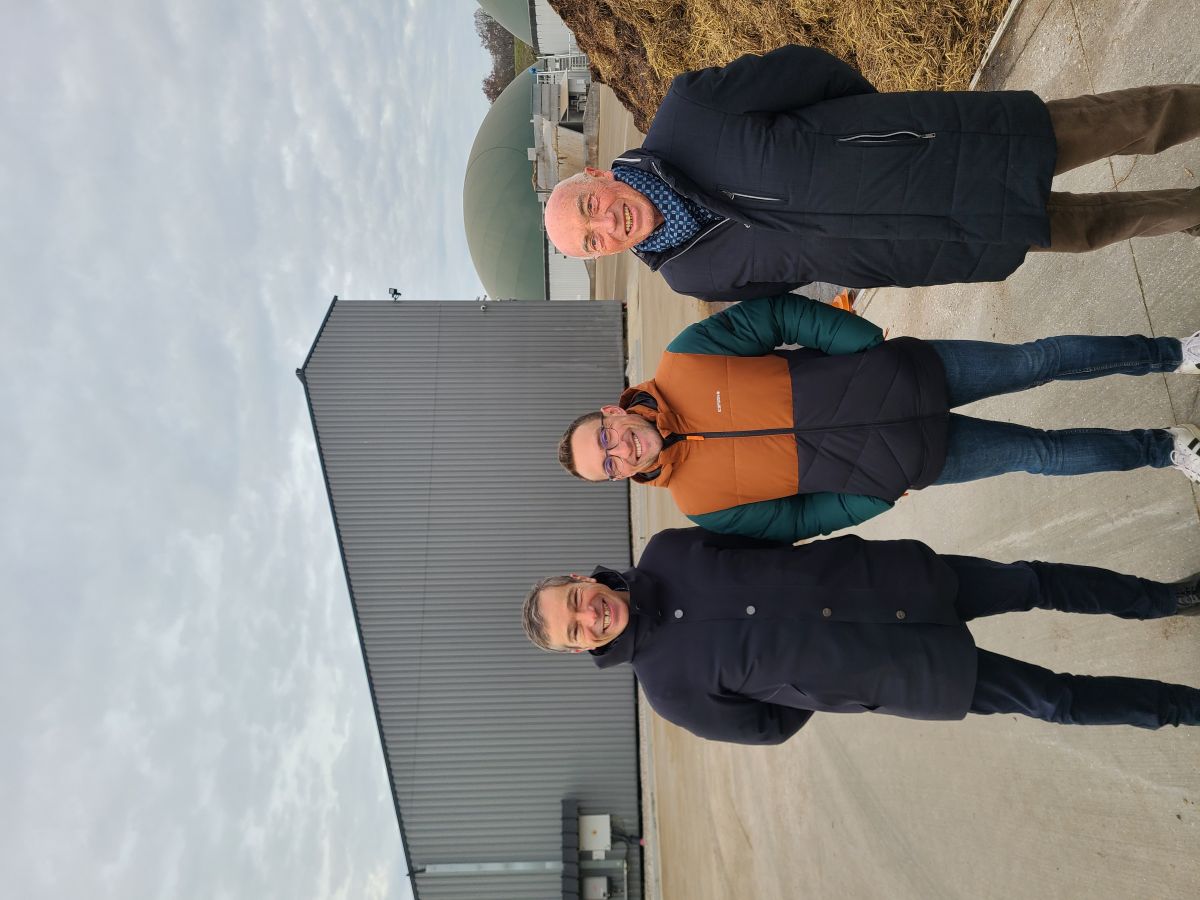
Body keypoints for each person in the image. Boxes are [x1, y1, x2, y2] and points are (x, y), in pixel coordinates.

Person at [542, 44, 1200, 301]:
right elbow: (792, 275)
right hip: (925, 241)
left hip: (935, 151)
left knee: (1122, 123)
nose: (607, 225)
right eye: (592, 241)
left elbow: (813, 71)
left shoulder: (690, 112)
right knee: (1090, 230)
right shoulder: (690, 275)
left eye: (590, 209)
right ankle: (1192, 211)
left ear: (598, 176)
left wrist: (873, 137)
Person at [557, 294, 1200, 542]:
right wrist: (874, 496)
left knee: (1041, 359)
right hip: (909, 462)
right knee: (1041, 454)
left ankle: (1175, 355)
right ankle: (1167, 450)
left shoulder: (686, 358)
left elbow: (778, 316)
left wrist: (861, 343)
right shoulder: (701, 503)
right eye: (608, 464)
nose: (619, 450)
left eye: (604, 437)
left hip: (906, 374)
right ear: (618, 478)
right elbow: (799, 521)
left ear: (613, 410)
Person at [521, 527, 1200, 741]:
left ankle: (1167, 599)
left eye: (576, 601)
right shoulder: (668, 692)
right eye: (576, 630)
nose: (589, 617)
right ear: (580, 648)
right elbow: (769, 726)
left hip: (891, 581)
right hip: (899, 670)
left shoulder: (668, 550)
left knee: (1034, 580)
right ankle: (1182, 708)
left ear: (584, 579)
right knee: (1053, 699)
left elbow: (769, 534)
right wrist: (825, 676)